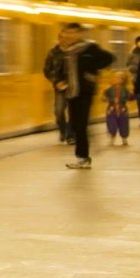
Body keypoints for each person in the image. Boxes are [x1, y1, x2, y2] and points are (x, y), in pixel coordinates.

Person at [54, 23, 115, 169]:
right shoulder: (64, 51)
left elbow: (109, 58)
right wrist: (59, 81)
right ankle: (84, 153)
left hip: (84, 91)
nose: (69, 36)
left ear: (80, 34)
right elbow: (59, 70)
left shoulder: (90, 48)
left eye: (73, 33)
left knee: (80, 124)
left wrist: (92, 72)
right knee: (75, 124)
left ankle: (83, 157)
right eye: (67, 33)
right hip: (71, 91)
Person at [43, 34, 75, 145]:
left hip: (74, 86)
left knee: (73, 112)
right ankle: (63, 130)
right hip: (60, 87)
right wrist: (56, 82)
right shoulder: (53, 53)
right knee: (59, 110)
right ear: (59, 39)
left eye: (67, 38)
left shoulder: (75, 51)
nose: (65, 40)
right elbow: (47, 70)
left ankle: (71, 135)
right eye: (63, 38)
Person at [105, 72, 134, 147]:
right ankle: (112, 137)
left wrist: (131, 96)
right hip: (112, 109)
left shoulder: (125, 89)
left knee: (124, 123)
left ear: (123, 80)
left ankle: (124, 138)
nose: (117, 79)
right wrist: (107, 99)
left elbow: (129, 97)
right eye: (115, 77)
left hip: (122, 108)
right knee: (112, 124)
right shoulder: (109, 89)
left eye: (119, 78)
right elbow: (104, 97)